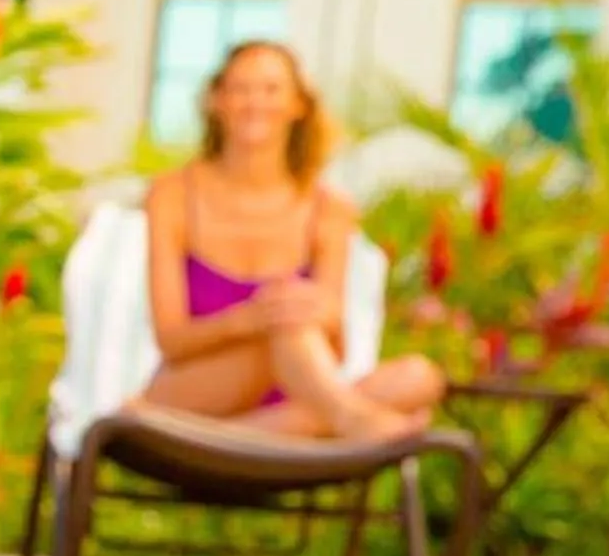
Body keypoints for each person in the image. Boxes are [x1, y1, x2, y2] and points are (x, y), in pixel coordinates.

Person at [139, 40, 443, 439]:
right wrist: (249, 320)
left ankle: (242, 437)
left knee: (419, 377)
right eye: (241, 88)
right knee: (286, 324)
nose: (255, 102)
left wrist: (315, 311)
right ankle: (347, 419)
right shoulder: (172, 195)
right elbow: (171, 341)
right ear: (217, 100)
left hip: (294, 398)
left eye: (271, 89)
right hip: (194, 390)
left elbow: (336, 346)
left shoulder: (329, 209)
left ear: (298, 105)